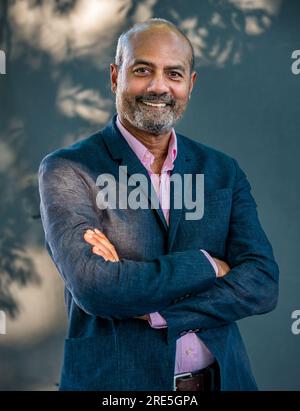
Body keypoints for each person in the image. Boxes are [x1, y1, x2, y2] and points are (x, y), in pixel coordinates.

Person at [38, 18, 279, 391]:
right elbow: (96, 288)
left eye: (174, 73)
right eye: (142, 70)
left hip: (223, 382)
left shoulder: (222, 171)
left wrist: (153, 309)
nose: (158, 86)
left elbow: (262, 283)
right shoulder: (69, 169)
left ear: (190, 85)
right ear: (115, 76)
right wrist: (208, 265)